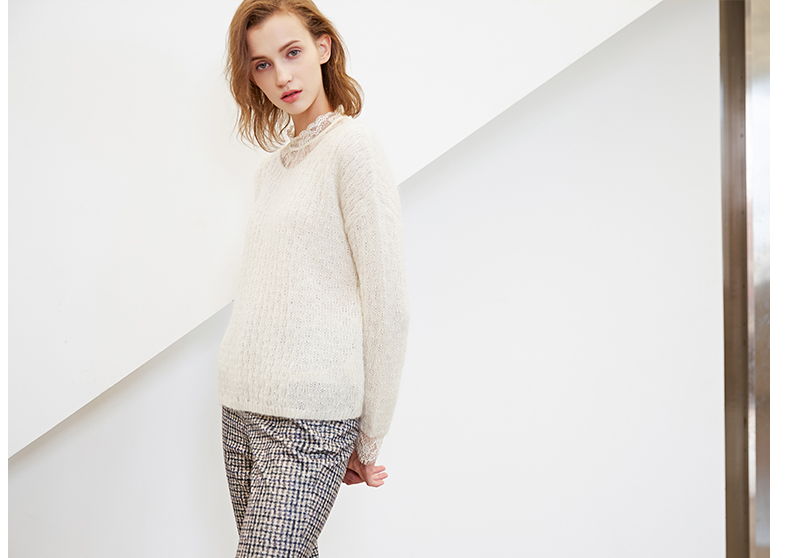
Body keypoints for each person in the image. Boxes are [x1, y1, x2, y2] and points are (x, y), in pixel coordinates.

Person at [218, 0, 410, 556]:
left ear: (323, 48)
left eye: (292, 52)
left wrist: (369, 432)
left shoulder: (353, 147)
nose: (281, 76)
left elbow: (387, 300)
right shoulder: (269, 172)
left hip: (310, 416)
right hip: (241, 406)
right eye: (262, 64)